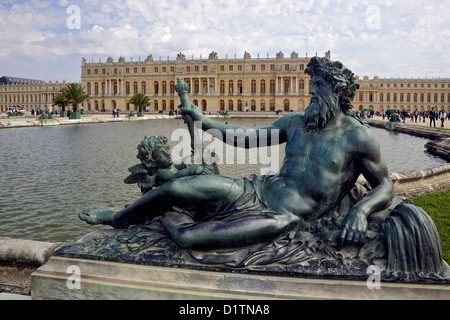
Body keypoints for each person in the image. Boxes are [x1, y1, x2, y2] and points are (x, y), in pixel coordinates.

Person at [79, 57, 394, 251]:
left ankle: (166, 217)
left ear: (337, 91)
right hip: (255, 190)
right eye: (311, 83)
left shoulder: (358, 136)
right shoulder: (296, 122)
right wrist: (203, 121)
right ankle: (120, 218)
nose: (310, 91)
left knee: (189, 239)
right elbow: (245, 138)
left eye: (319, 85)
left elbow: (385, 185)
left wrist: (360, 211)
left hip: (283, 216)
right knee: (174, 187)